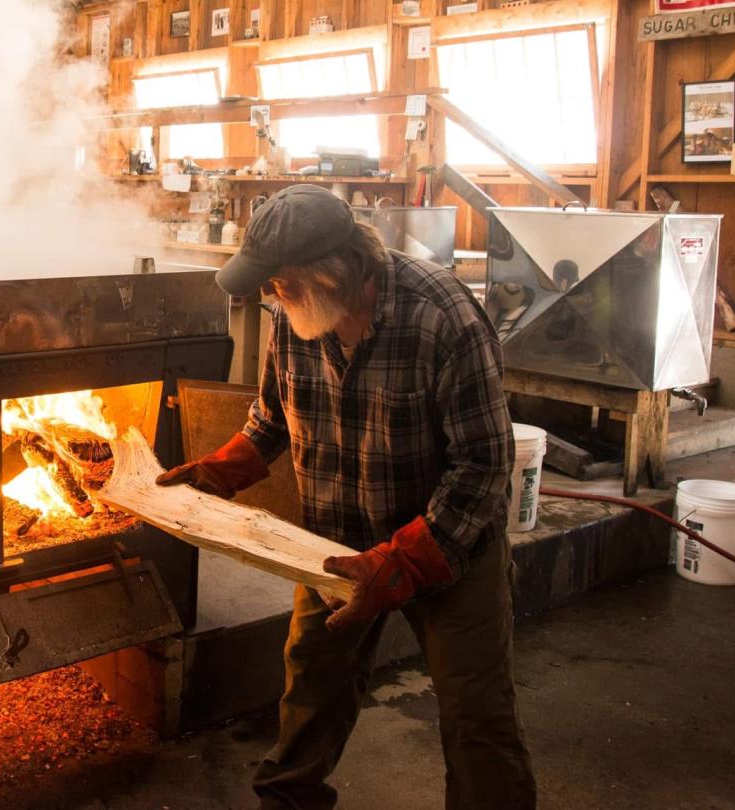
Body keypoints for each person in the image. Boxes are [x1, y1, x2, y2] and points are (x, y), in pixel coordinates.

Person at [157, 185, 535, 809]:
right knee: (311, 687)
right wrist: (220, 472)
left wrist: (402, 562)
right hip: (337, 543)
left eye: (278, 283)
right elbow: (273, 417)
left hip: (447, 547)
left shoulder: (441, 314)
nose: (269, 296)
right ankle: (287, 802)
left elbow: (484, 466)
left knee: (477, 716)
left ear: (331, 273)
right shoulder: (297, 315)